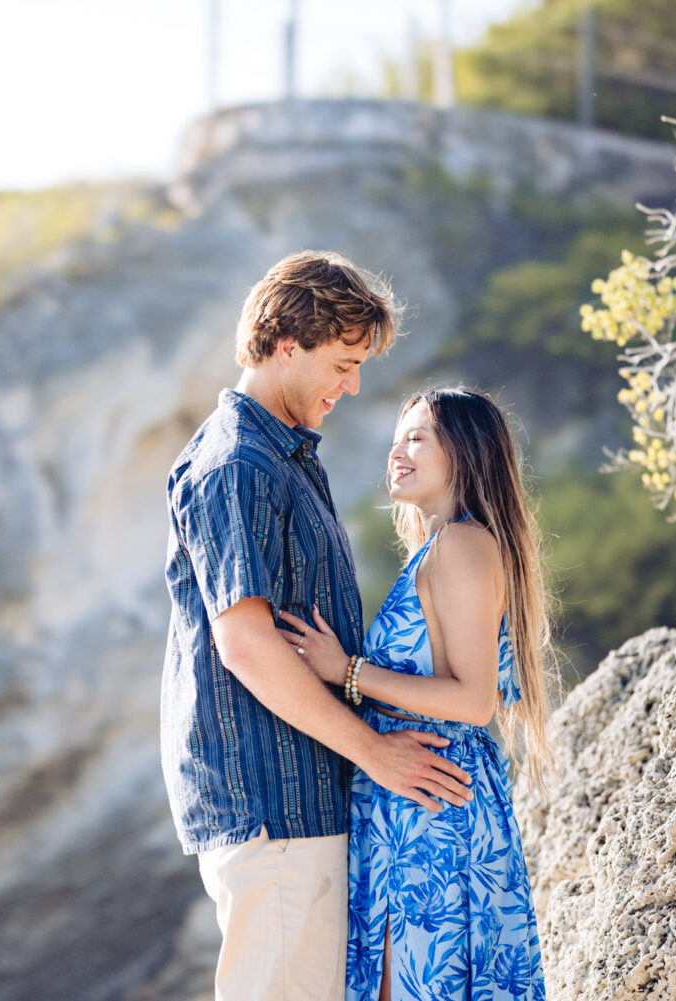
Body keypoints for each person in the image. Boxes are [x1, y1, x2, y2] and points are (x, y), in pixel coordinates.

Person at [161, 251, 475, 1001]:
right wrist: (376, 753)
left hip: (302, 802)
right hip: (275, 810)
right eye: (342, 362)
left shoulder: (286, 458)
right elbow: (245, 645)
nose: (353, 385)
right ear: (285, 345)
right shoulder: (237, 464)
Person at [278, 387, 553, 1001]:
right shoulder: (439, 550)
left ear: (467, 451)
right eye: (399, 436)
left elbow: (473, 700)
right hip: (413, 796)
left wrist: (347, 671)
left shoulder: (461, 546)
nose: (398, 450)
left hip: (435, 801)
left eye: (418, 437)